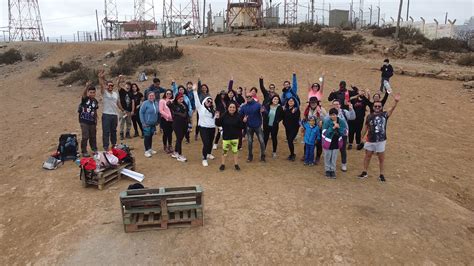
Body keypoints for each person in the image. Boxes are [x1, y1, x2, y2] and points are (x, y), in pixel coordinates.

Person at [358, 93, 400, 182]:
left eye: (379, 106)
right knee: (367, 156)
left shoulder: (385, 115)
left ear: (381, 107)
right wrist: (361, 137)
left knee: (381, 158)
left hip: (381, 140)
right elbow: (365, 127)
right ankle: (364, 172)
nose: (377, 107)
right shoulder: (369, 116)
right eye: (376, 106)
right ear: (373, 107)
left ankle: (381, 174)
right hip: (370, 140)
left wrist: (395, 102)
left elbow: (391, 109)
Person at [215, 102, 245, 171]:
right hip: (226, 137)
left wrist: (244, 121)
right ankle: (222, 164)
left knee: (235, 151)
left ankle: (236, 164)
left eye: (233, 107)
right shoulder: (224, 115)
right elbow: (218, 123)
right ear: (228, 108)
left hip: (235, 137)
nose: (232, 109)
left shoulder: (239, 116)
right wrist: (217, 117)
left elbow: (242, 126)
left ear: (236, 108)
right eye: (230, 107)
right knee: (224, 151)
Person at [98, 70, 123, 151]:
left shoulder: (115, 94)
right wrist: (100, 77)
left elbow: (118, 103)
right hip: (106, 114)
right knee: (106, 131)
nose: (110, 87)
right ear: (106, 86)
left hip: (114, 114)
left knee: (113, 131)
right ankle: (106, 146)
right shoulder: (105, 93)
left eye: (112, 85)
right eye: (109, 85)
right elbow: (101, 85)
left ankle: (114, 144)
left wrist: (122, 109)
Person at [192, 84, 216, 167]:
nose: (209, 102)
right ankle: (204, 158)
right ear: (204, 101)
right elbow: (196, 99)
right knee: (206, 143)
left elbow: (216, 120)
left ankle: (209, 153)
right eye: (207, 101)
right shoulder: (200, 107)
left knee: (210, 142)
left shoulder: (213, 110)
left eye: (210, 101)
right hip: (203, 128)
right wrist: (195, 91)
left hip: (212, 128)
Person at [239, 92, 266, 162]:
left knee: (262, 141)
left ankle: (263, 156)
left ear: (252, 97)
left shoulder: (258, 105)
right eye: (247, 97)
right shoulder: (244, 107)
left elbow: (265, 112)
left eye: (250, 97)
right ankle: (250, 156)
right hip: (249, 127)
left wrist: (263, 111)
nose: (248, 98)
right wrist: (243, 120)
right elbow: (239, 116)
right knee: (250, 142)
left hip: (258, 126)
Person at [330, 100, 355, 171]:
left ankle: (344, 164)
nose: (336, 105)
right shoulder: (330, 113)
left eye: (337, 104)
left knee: (342, 149)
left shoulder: (344, 112)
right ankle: (331, 163)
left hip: (343, 134)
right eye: (334, 104)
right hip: (333, 133)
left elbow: (352, 117)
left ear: (340, 105)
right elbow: (326, 120)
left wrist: (351, 109)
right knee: (332, 148)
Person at [321, 108, 347, 178]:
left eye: (334, 115)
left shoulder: (341, 122)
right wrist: (332, 128)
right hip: (328, 142)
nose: (333, 116)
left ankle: (332, 170)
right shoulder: (327, 121)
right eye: (331, 115)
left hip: (336, 141)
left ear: (337, 115)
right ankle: (327, 170)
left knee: (334, 157)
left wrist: (339, 128)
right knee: (327, 156)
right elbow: (324, 132)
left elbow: (345, 132)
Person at [302, 97, 327, 163]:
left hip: (318, 128)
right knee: (307, 141)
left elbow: (326, 119)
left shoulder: (321, 109)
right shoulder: (307, 109)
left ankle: (318, 157)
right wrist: (304, 127)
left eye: (314, 102)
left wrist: (320, 113)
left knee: (318, 143)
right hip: (309, 128)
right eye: (311, 102)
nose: (313, 103)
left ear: (317, 103)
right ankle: (305, 155)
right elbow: (305, 118)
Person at [78, 82, 98, 157]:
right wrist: (86, 87)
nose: (92, 94)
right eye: (90, 92)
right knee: (85, 136)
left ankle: (94, 149)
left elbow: (95, 110)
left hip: (92, 121)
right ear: (88, 92)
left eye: (93, 92)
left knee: (93, 136)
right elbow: (83, 94)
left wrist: (96, 119)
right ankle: (84, 151)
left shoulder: (95, 101)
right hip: (84, 121)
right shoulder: (85, 99)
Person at [169, 93, 189, 162]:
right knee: (179, 139)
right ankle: (180, 155)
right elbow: (168, 104)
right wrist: (172, 100)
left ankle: (175, 152)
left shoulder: (184, 104)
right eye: (179, 98)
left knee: (179, 138)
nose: (181, 100)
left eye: (182, 98)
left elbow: (186, 113)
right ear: (176, 99)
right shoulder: (174, 105)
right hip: (177, 125)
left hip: (184, 124)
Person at [139, 92, 159, 158]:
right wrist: (143, 122)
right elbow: (141, 113)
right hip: (146, 123)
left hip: (153, 124)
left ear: (154, 96)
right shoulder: (145, 103)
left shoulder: (156, 103)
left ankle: (150, 149)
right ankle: (146, 151)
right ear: (148, 96)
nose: (151, 97)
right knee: (147, 137)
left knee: (150, 136)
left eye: (152, 95)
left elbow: (157, 113)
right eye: (150, 96)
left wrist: (157, 121)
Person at [159, 89, 174, 154]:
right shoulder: (162, 101)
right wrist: (167, 116)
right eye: (167, 93)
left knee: (170, 133)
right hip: (165, 120)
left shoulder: (172, 100)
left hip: (172, 120)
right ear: (165, 94)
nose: (168, 95)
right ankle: (165, 146)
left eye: (170, 94)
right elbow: (161, 110)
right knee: (165, 133)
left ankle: (170, 145)